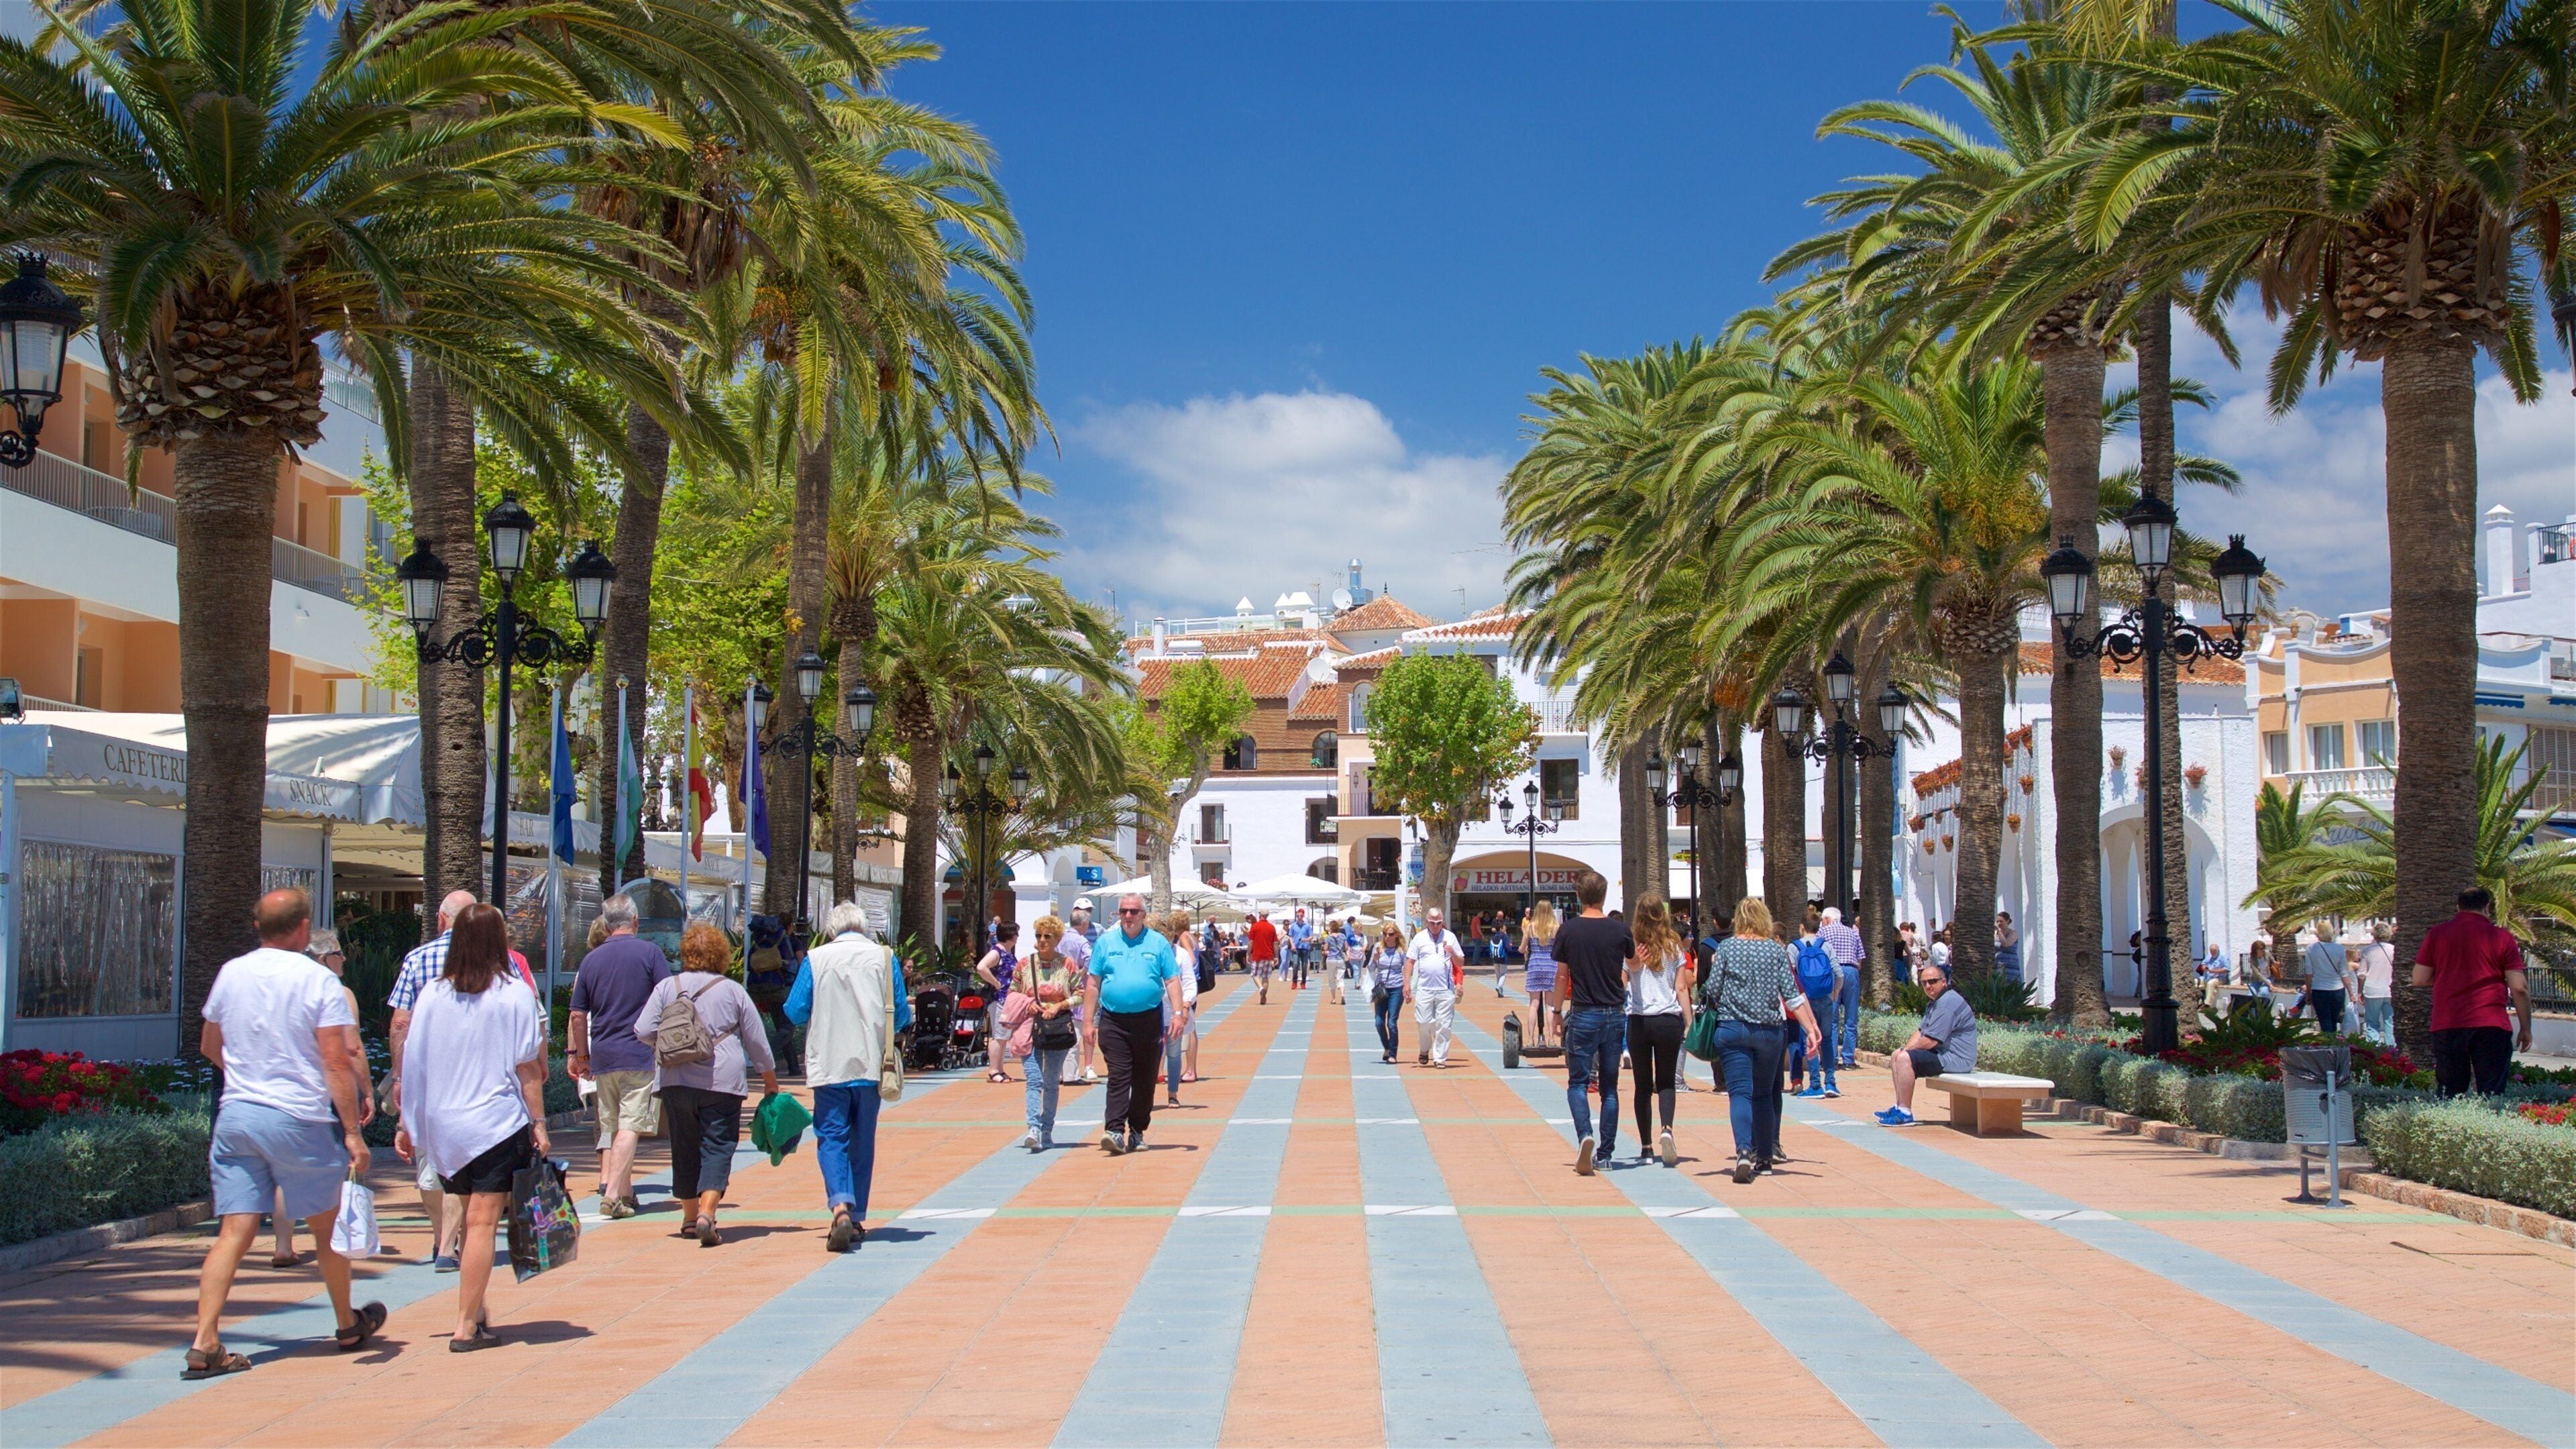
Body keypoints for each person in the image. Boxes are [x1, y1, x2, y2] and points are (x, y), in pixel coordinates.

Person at [188, 890, 383, 1379]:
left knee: (234, 1231)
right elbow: (335, 1060)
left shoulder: (232, 972)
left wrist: (248, 1076)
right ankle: (346, 1322)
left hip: (237, 1115)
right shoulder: (317, 979)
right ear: (302, 929)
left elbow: (211, 1043)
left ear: (258, 927)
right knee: (325, 1228)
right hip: (299, 1118)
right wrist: (353, 1133)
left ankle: (204, 1340)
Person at [396, 902, 548, 1352]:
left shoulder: (433, 996)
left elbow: (414, 1062)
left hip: (444, 1127)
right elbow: (528, 1070)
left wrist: (409, 1123)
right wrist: (538, 1123)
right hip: (495, 1123)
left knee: (463, 1217)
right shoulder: (513, 994)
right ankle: (465, 1325)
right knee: (482, 1224)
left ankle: (476, 1311)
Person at [634, 923, 778, 1246]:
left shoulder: (667, 987)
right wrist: (770, 1081)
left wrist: (669, 1046)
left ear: (686, 953)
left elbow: (642, 1030)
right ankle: (707, 1213)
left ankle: (688, 1218)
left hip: (675, 1080)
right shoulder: (732, 990)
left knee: (684, 1146)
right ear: (721, 955)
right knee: (718, 1144)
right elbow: (756, 1040)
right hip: (722, 1081)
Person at [786, 902, 908, 1250]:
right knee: (863, 1140)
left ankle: (840, 1204)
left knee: (831, 1136)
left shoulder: (816, 958)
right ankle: (855, 1219)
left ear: (831, 930)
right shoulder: (884, 957)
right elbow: (899, 1014)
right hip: (872, 1064)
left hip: (829, 1063)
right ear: (864, 926)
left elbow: (794, 1011)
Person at [268, 928, 367, 1269]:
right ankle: (332, 1241)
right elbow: (351, 1048)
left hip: (285, 1090)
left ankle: (283, 1244)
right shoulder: (339, 992)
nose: (344, 960)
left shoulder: (282, 991)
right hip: (327, 1090)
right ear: (324, 959)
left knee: (286, 1171)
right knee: (334, 1165)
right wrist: (366, 1092)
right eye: (339, 954)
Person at [1704, 899, 1820, 1182]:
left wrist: (1715, 966)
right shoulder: (1775, 950)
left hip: (1733, 1029)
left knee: (1740, 1093)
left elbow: (1712, 989)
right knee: (1765, 1094)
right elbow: (1792, 995)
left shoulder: (1727, 948)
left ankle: (1744, 1151)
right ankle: (1765, 1158)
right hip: (1769, 1032)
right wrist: (1811, 1029)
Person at [567, 893, 667, 1220]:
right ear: (635, 921)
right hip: (639, 1054)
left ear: (607, 924)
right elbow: (668, 1000)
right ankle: (612, 1194)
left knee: (611, 1127)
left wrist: (581, 1056)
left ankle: (625, 1193)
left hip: (603, 1057)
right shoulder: (651, 954)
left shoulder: (590, 961)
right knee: (630, 1126)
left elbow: (578, 1015)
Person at [2410, 885, 2532, 1097]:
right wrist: (2526, 1028)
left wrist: (2451, 978)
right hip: (2492, 1024)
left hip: (2448, 1023)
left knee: (2450, 1094)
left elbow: (2419, 978)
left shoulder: (2437, 934)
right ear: (2488, 908)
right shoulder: (2503, 938)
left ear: (2458, 908)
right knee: (2492, 1094)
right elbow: (2519, 988)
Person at [1087, 894, 1180, 1153]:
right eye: (1123, 911)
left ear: (1143, 915)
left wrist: (1179, 1014)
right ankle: (1114, 1131)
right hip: (1113, 1021)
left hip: (1148, 1020)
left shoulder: (1158, 943)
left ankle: (1137, 1131)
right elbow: (1093, 983)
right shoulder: (1105, 943)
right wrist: (1086, 1023)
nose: (1128, 916)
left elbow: (1172, 980)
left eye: (1134, 911)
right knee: (1118, 1076)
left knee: (1145, 1079)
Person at [1553, 873, 1632, 1175]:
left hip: (1584, 1012)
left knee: (1578, 1082)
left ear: (1578, 895)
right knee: (1610, 1088)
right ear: (1605, 894)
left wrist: (1557, 1011)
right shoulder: (1620, 930)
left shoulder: (1569, 930)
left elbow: (1562, 975)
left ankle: (1585, 1134)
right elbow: (1633, 963)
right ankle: (1607, 1153)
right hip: (1614, 1012)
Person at [1625, 896, 1692, 1167]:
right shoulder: (1674, 947)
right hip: (1667, 1020)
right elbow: (1681, 988)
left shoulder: (1632, 948)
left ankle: (1646, 1147)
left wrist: (1634, 967)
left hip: (1639, 1021)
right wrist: (1689, 1020)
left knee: (1642, 1085)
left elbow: (1621, 985)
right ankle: (1667, 1129)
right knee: (1666, 1082)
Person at [1006, 916, 1081, 1150]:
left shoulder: (1068, 964)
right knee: (1034, 1079)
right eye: (1039, 936)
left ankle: (1047, 1129)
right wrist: (1028, 1004)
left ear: (1057, 939)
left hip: (1057, 1028)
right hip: (1030, 1027)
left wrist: (1060, 1006)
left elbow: (1081, 993)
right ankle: (1034, 1129)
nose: (1042, 940)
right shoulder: (1025, 964)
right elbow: (1012, 992)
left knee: (1050, 1081)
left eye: (1047, 936)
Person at [1876, 960, 1976, 1128]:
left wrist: (1906, 1054)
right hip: (1944, 1054)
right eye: (1924, 983)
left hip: (1957, 1059)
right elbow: (1921, 1032)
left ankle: (1906, 1114)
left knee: (1904, 1059)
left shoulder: (1947, 1004)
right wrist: (1905, 1050)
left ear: (1944, 982)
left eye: (1933, 981)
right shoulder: (1937, 1001)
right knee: (1897, 1055)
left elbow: (1930, 1041)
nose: (1928, 986)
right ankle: (1899, 1107)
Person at [1406, 908, 1467, 1067]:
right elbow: (1410, 962)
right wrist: (1406, 984)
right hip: (1424, 989)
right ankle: (1425, 1048)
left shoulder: (1450, 937)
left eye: (1439, 923)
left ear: (1442, 922)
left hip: (1445, 989)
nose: (1435, 926)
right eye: (1432, 923)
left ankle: (1440, 1058)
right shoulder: (1419, 938)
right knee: (1423, 1022)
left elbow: (1460, 963)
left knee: (1444, 1025)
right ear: (1427, 922)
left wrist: (1452, 953)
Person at [1790, 918, 1841, 1099]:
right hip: (1826, 997)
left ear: (1802, 927)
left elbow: (1791, 976)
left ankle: (1815, 1085)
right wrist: (1834, 994)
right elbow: (1839, 973)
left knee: (1810, 1040)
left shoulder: (1794, 947)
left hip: (1806, 1000)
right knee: (1827, 1040)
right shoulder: (1825, 945)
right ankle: (1830, 1083)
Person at [1160, 910, 1201, 1104]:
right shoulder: (1150, 953)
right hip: (1151, 1011)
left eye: (1167, 937)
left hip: (1175, 1011)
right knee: (1152, 1053)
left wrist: (1185, 1007)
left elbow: (1190, 982)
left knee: (1174, 1053)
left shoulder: (1181, 954)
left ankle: (1173, 1094)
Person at [1817, 906, 1864, 1071]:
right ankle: (1849, 1059)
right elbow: (1860, 960)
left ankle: (1831, 1059)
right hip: (1851, 972)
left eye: (1823, 920)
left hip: (1832, 972)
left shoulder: (1823, 933)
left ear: (1828, 919)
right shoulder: (1853, 932)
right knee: (1851, 1018)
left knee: (1832, 1018)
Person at [974, 920, 1021, 1083]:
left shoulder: (1007, 952)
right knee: (999, 1036)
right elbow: (981, 967)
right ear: (1009, 935)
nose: (1017, 936)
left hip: (1007, 999)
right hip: (999, 999)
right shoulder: (997, 952)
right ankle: (994, 1070)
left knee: (1003, 1037)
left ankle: (1000, 1069)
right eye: (1015, 933)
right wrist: (996, 983)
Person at [1064, 906, 1099, 1083]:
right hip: (1078, 991)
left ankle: (1061, 1073)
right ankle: (1071, 1074)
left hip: (1059, 990)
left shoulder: (1060, 939)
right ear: (1084, 924)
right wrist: (1082, 973)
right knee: (1076, 1032)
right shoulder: (1081, 942)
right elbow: (1092, 959)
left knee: (1061, 1030)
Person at [1521, 900, 1560, 1049]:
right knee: (1550, 1004)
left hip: (1535, 965)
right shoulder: (1555, 927)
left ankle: (1531, 1039)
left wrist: (1522, 950)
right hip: (1551, 965)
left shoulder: (1530, 927)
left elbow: (1523, 948)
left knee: (1534, 1004)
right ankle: (1551, 1039)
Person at [1368, 922, 1409, 1063]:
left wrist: (1407, 987)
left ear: (1397, 935)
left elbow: (1408, 968)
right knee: (1379, 1022)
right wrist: (1375, 959)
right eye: (1385, 934)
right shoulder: (1377, 948)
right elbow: (1370, 969)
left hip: (1396, 988)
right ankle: (1386, 1047)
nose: (1387, 937)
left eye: (1391, 934)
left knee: (1391, 1022)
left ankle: (1393, 1054)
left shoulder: (1401, 951)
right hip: (1381, 989)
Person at [2301, 926, 2351, 1034]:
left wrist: (2308, 993)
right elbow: (2344, 972)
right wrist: (2351, 993)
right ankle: (2333, 1044)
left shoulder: (2311, 949)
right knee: (2333, 1021)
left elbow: (2309, 973)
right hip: (2338, 990)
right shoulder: (2339, 948)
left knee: (2325, 1022)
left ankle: (2328, 1045)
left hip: (2319, 989)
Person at [2357, 922, 2397, 1046]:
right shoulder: (2394, 950)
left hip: (2372, 990)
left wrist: (2360, 991)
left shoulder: (2368, 950)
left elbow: (2362, 973)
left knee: (2372, 1023)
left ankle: (2373, 1050)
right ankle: (2392, 1051)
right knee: (2390, 1023)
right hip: (2390, 990)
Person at [1246, 910, 1279, 1004]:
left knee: (1255, 975)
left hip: (1257, 955)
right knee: (1266, 977)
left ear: (1260, 915)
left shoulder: (1255, 926)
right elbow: (1275, 943)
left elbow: (1251, 942)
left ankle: (1261, 989)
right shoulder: (1272, 927)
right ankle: (1263, 995)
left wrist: (1249, 953)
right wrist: (1276, 956)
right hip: (1269, 955)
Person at [2196, 941, 2232, 1016]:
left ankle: (2207, 1004)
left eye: (2214, 952)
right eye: (2211, 952)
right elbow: (2203, 963)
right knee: (2195, 982)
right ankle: (2197, 1001)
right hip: (2207, 977)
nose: (2212, 954)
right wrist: (2204, 967)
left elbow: (2227, 969)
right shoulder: (2209, 956)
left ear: (2218, 950)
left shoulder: (2223, 958)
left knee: (2211, 983)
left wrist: (2213, 971)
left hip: (2218, 979)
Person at [1321, 915, 1349, 1006]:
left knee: (1331, 979)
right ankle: (1343, 994)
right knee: (1341, 979)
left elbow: (1325, 948)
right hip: (1340, 959)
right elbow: (1346, 947)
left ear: (1331, 928)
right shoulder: (1343, 936)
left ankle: (1333, 999)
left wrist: (1325, 950)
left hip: (1331, 959)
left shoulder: (1329, 937)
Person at [1287, 908, 1316, 991]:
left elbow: (1311, 936)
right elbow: (1290, 936)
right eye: (1298, 916)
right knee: (1295, 964)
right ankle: (1294, 981)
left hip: (1305, 948)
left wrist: (1306, 940)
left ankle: (1303, 982)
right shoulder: (1293, 926)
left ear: (1303, 916)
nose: (1299, 917)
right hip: (1296, 948)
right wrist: (1292, 945)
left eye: (1301, 915)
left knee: (1304, 966)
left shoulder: (1307, 926)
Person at [1994, 912, 2022, 985]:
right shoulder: (1996, 933)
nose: (1999, 923)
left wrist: (1999, 932)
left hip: (2010, 965)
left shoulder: (2013, 933)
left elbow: (2006, 944)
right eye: (1997, 921)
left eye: (2001, 921)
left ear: (2008, 921)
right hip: (1998, 965)